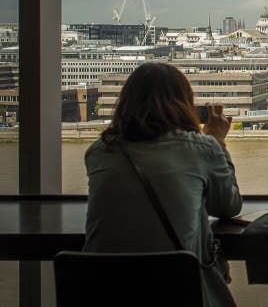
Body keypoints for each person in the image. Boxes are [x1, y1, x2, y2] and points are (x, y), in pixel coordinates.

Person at [84, 62, 242, 307]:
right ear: (183, 103)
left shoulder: (98, 151)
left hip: (101, 292)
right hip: (177, 291)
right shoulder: (201, 148)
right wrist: (217, 141)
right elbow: (227, 206)